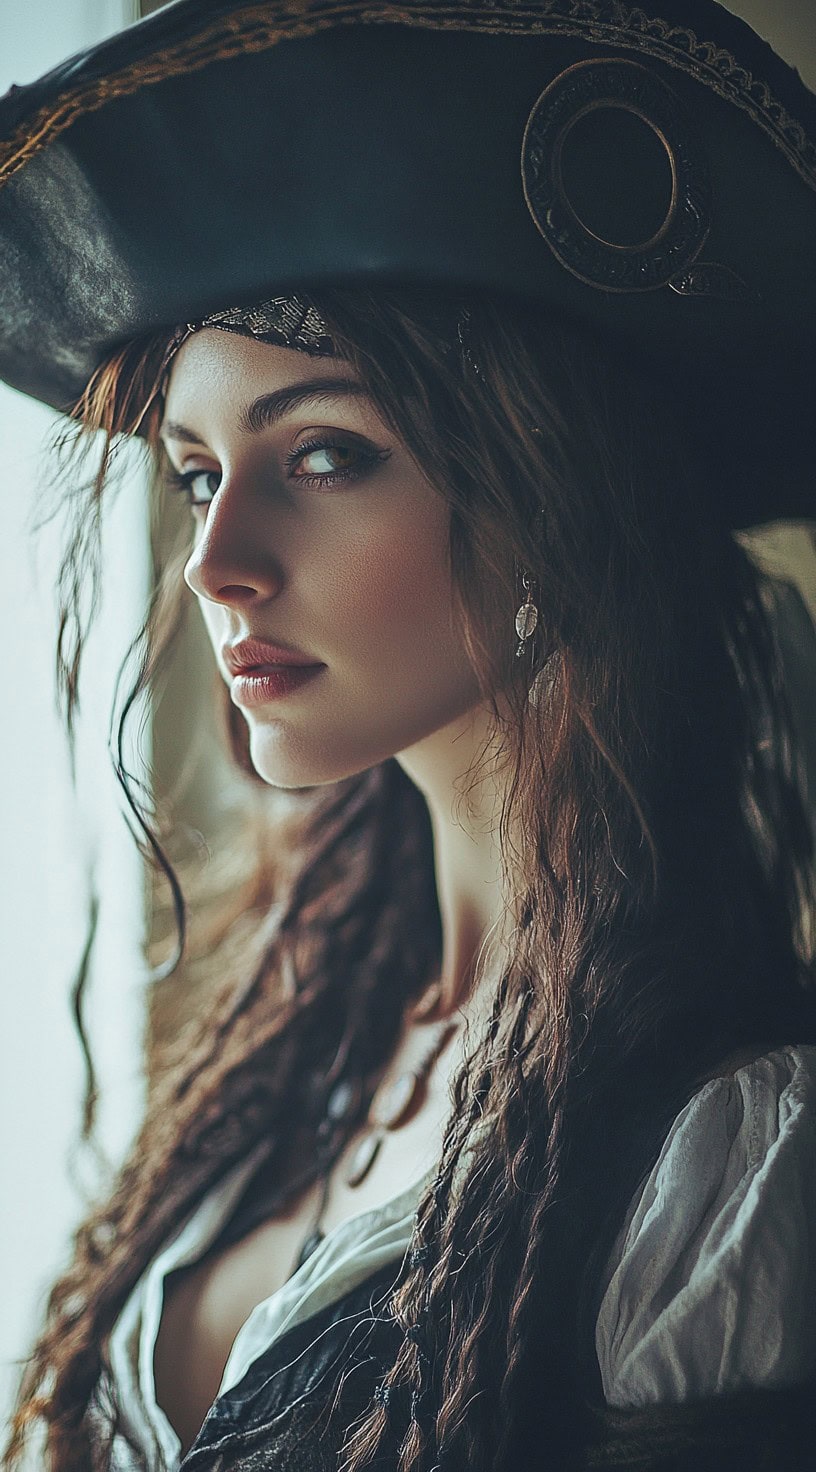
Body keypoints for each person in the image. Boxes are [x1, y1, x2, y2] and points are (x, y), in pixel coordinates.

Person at [1, 2, 815, 1469]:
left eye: (324, 455)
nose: (218, 560)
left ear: (557, 503)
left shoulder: (729, 1150)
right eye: (198, 475)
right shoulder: (316, 1030)